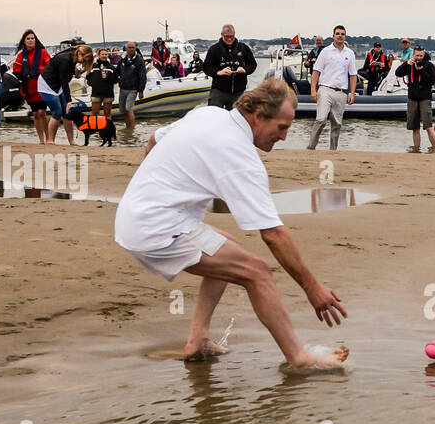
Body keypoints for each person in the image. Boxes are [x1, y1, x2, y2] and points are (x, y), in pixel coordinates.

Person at [115, 78, 349, 371]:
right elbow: (273, 235)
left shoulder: (210, 113)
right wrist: (311, 287)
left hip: (136, 215)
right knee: (258, 272)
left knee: (230, 249)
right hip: (156, 228)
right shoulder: (240, 156)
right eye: (282, 127)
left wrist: (159, 188)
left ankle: (197, 340)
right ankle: (298, 358)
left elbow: (153, 140)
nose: (285, 137)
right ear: (259, 116)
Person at [307, 25, 358, 150]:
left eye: (342, 34)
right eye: (337, 33)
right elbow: (316, 71)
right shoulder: (325, 52)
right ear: (333, 36)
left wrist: (352, 93)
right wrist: (313, 90)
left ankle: (333, 150)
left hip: (341, 92)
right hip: (325, 89)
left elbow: (353, 74)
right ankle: (311, 147)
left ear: (345, 36)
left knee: (337, 123)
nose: (340, 36)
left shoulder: (350, 53)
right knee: (321, 119)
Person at [38, 42, 95, 144]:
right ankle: (50, 140)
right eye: (84, 60)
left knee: (68, 113)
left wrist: (75, 72)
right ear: (80, 54)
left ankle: (71, 141)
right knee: (57, 112)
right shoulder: (65, 60)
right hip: (47, 84)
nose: (83, 63)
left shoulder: (73, 55)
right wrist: (69, 101)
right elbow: (64, 82)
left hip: (58, 85)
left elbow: (66, 75)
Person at [203, 24, 257, 111]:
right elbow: (206, 67)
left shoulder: (243, 48)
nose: (229, 39)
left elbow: (252, 64)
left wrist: (245, 70)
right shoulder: (214, 49)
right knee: (214, 116)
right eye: (226, 37)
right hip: (219, 90)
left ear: (234, 34)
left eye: (231, 36)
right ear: (221, 35)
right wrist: (218, 72)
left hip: (238, 91)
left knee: (237, 119)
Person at [394, 46, 435, 151]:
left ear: (424, 55)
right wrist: (406, 64)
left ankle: (434, 148)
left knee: (428, 126)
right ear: (413, 55)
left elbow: (432, 81)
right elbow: (398, 73)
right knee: (415, 127)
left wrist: (421, 71)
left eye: (421, 56)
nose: (418, 58)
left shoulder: (429, 65)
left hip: (425, 98)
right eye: (417, 55)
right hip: (412, 98)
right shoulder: (410, 65)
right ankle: (416, 149)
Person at [12, 30, 51, 143]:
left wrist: (38, 70)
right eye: (28, 38)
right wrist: (24, 72)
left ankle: (48, 137)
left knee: (41, 112)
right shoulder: (21, 55)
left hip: (42, 86)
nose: (30, 40)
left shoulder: (42, 52)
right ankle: (41, 140)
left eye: (32, 38)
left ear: (35, 40)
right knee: (35, 114)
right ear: (24, 41)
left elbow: (49, 67)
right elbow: (16, 69)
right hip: (28, 88)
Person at [116, 41, 147, 128]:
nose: (131, 49)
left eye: (133, 48)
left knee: (129, 108)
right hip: (123, 88)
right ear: (126, 49)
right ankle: (127, 127)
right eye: (129, 48)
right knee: (123, 111)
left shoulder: (139, 60)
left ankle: (132, 129)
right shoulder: (122, 59)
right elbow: (117, 72)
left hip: (133, 89)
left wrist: (141, 90)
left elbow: (142, 76)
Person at [87, 48, 117, 118]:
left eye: (106, 54)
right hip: (96, 93)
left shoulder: (111, 67)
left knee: (107, 114)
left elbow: (115, 80)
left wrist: (108, 76)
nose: (104, 56)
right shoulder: (93, 66)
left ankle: (108, 128)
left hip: (108, 93)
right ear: (98, 55)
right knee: (94, 114)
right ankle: (95, 128)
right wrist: (93, 83)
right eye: (102, 54)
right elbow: (88, 77)